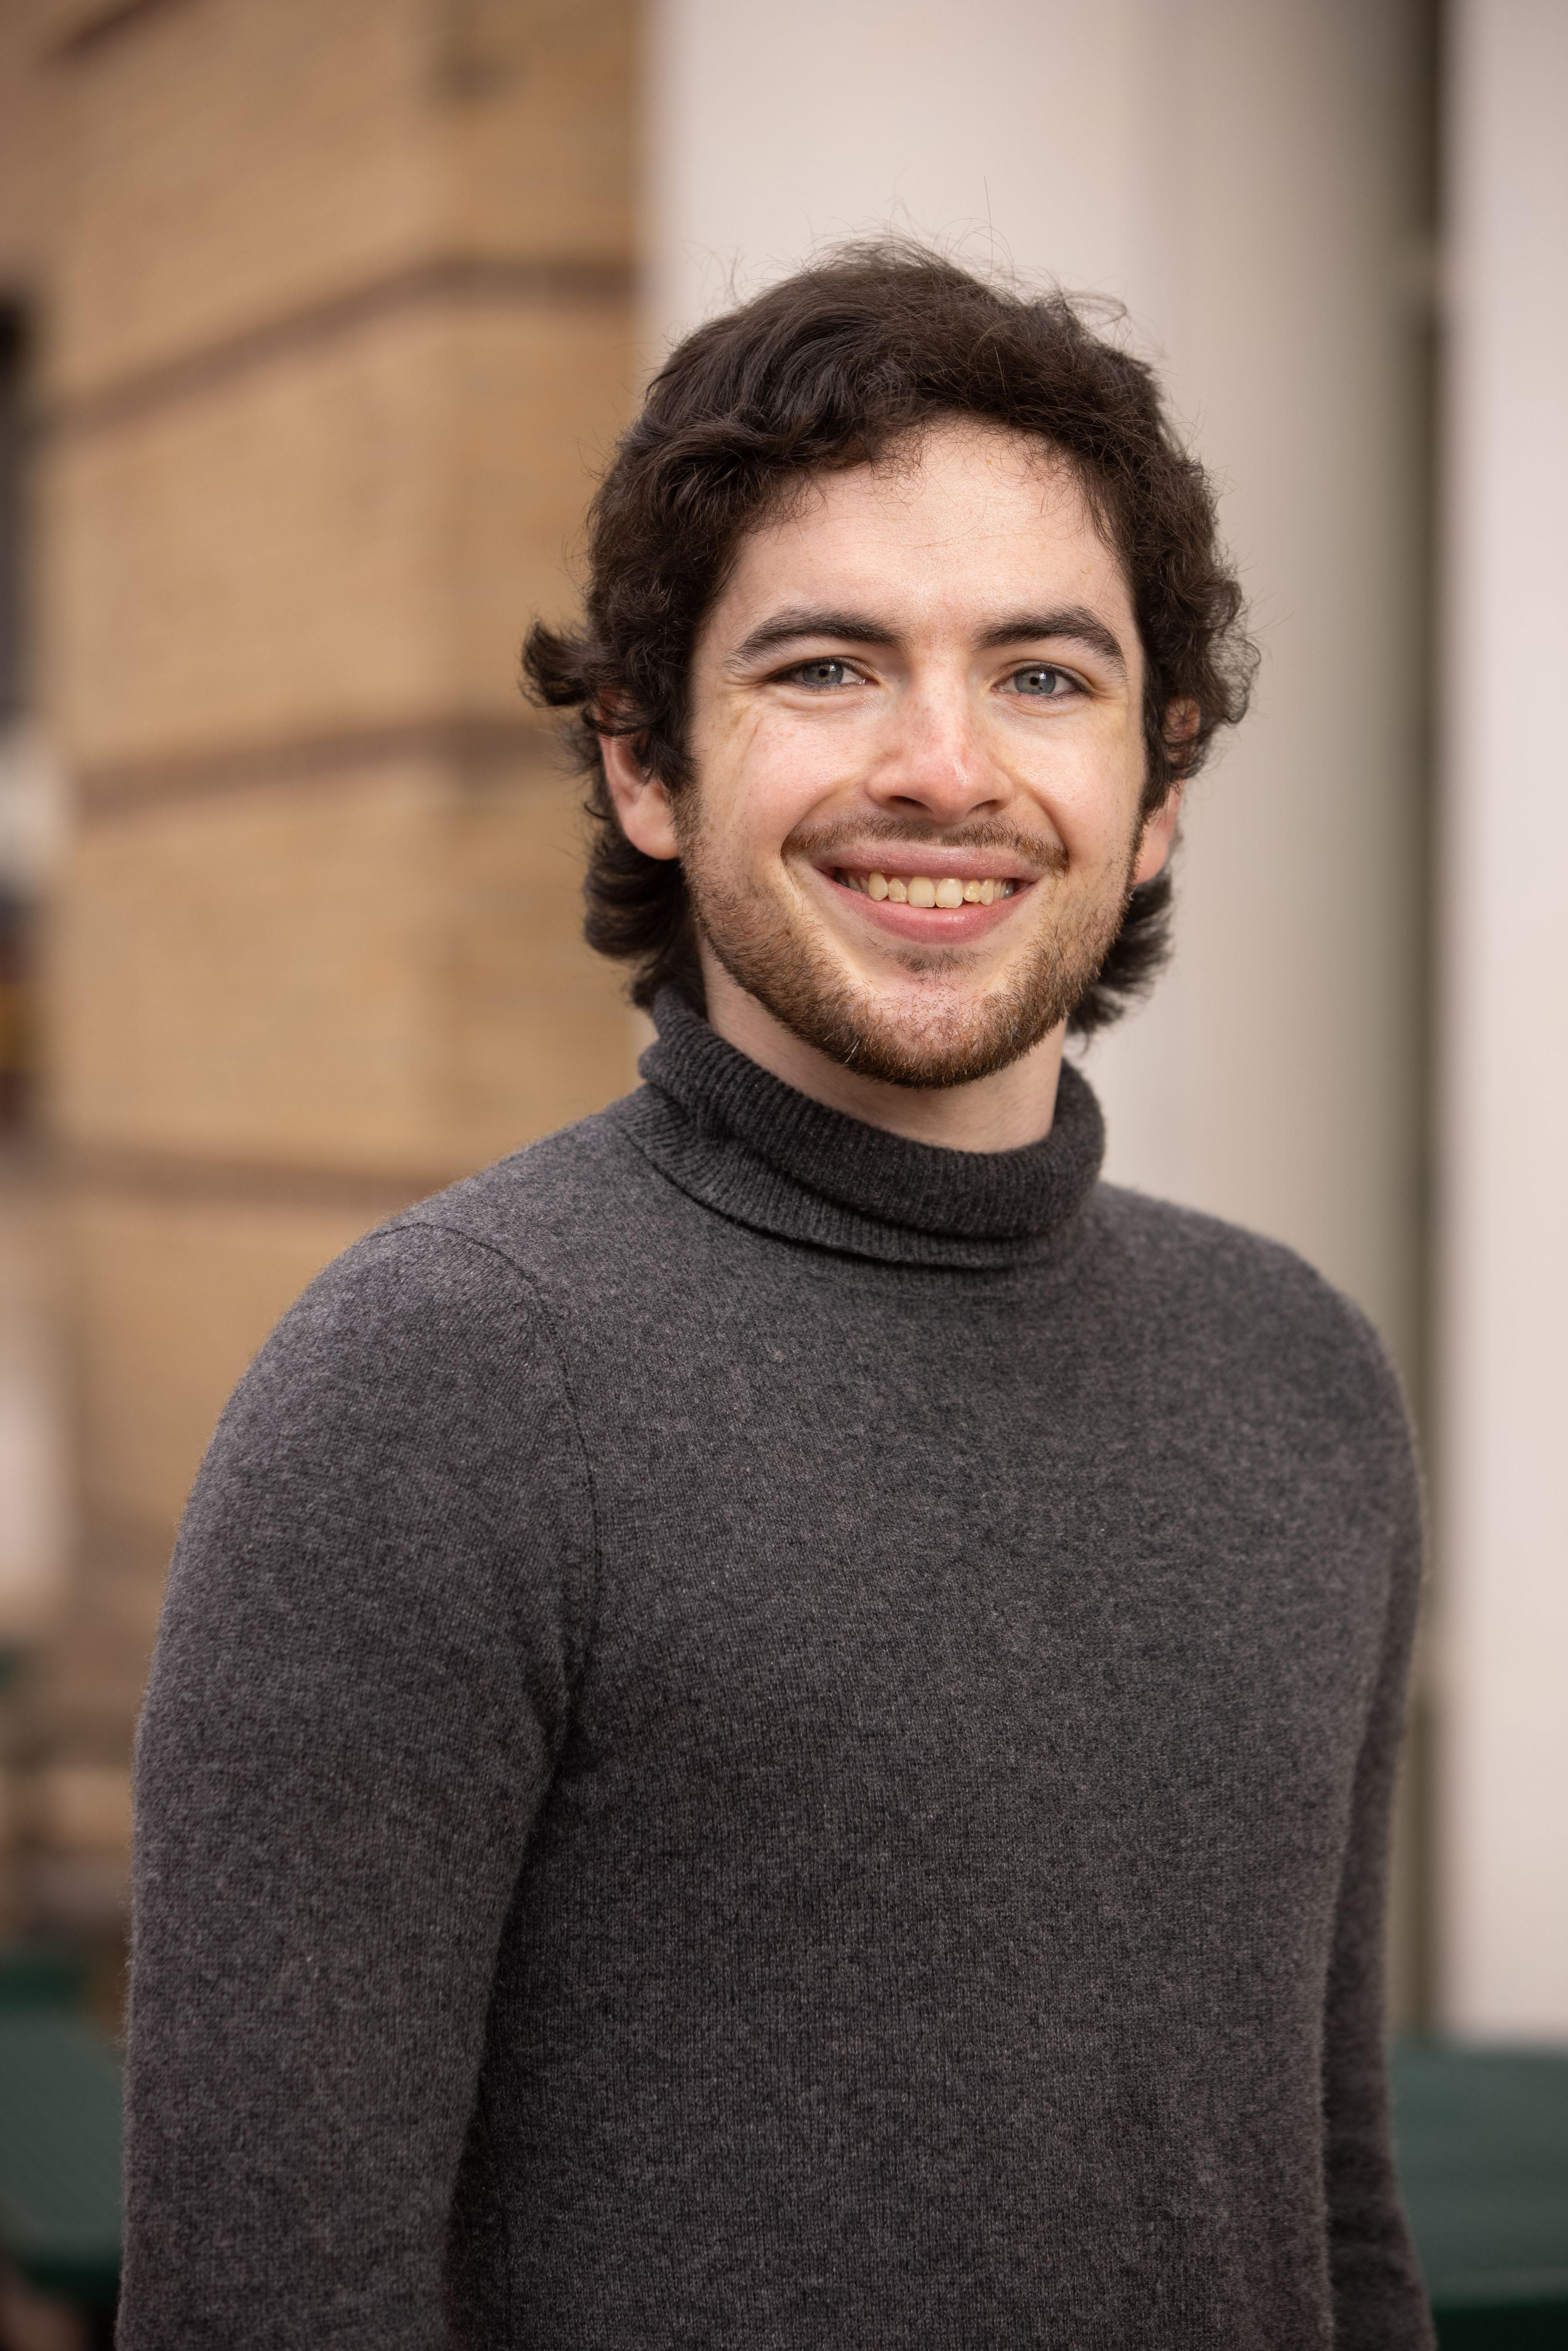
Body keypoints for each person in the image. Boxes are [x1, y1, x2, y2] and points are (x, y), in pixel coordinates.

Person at [121, 246, 1433, 2349]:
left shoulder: (1298, 1375)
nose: (942, 767)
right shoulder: (435, 1389)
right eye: (826, 667)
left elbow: (1330, 2221)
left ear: (1160, 785)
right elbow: (271, 2305)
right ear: (646, 764)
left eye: (1043, 675)